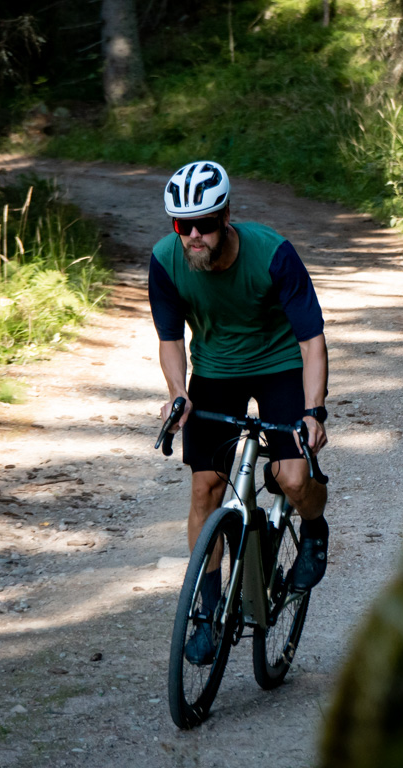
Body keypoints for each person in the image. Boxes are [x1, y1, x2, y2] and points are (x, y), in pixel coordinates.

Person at [148, 160, 330, 665]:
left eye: (204, 223)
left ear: (226, 216)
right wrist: (178, 392)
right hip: (216, 373)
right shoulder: (166, 261)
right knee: (205, 486)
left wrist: (314, 412)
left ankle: (313, 528)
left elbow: (312, 341)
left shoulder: (272, 254)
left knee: (292, 477)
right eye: (183, 225)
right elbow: (169, 340)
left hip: (278, 366)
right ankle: (207, 612)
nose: (194, 236)